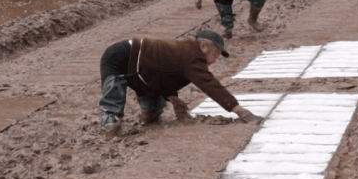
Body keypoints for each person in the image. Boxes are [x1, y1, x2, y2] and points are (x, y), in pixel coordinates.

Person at [98, 30, 261, 137]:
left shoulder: (185, 51)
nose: (216, 58)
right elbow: (210, 85)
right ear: (204, 46)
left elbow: (163, 71)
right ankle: (109, 138)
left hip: (143, 69)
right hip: (118, 57)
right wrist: (239, 110)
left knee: (154, 111)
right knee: (113, 104)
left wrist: (172, 97)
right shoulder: (192, 56)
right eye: (216, 53)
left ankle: (147, 123)